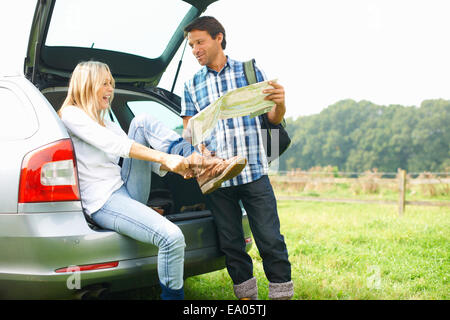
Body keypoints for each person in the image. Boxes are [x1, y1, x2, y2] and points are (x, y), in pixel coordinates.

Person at [58, 61, 247, 300]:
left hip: (124, 188)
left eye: (111, 83)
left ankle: (199, 165)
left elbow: (138, 154)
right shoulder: (71, 114)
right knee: (172, 238)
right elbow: (120, 146)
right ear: (87, 84)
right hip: (103, 201)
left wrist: (178, 167)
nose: (111, 89)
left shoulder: (107, 122)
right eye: (104, 83)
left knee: (142, 122)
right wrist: (167, 159)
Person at [181, 16, 293, 300]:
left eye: (200, 42)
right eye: (191, 44)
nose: (195, 49)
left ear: (219, 38)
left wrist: (280, 103)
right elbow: (189, 132)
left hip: (254, 171)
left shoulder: (249, 71)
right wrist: (203, 153)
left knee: (270, 239)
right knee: (231, 244)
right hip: (218, 179)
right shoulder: (191, 84)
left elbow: (273, 118)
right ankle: (246, 299)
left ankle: (281, 295)